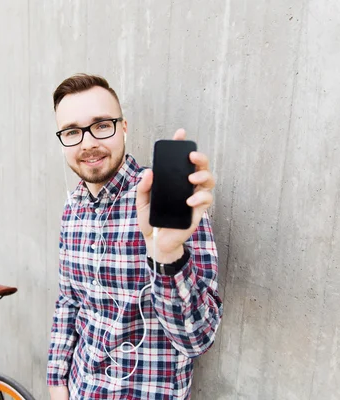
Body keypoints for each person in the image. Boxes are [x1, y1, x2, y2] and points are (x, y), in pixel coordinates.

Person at [46, 73, 223, 400]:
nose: (87, 143)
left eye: (101, 125)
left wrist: (167, 255)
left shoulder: (165, 202)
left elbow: (199, 340)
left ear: (123, 127)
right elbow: (69, 301)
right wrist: (57, 382)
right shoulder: (72, 209)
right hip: (81, 389)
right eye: (72, 132)